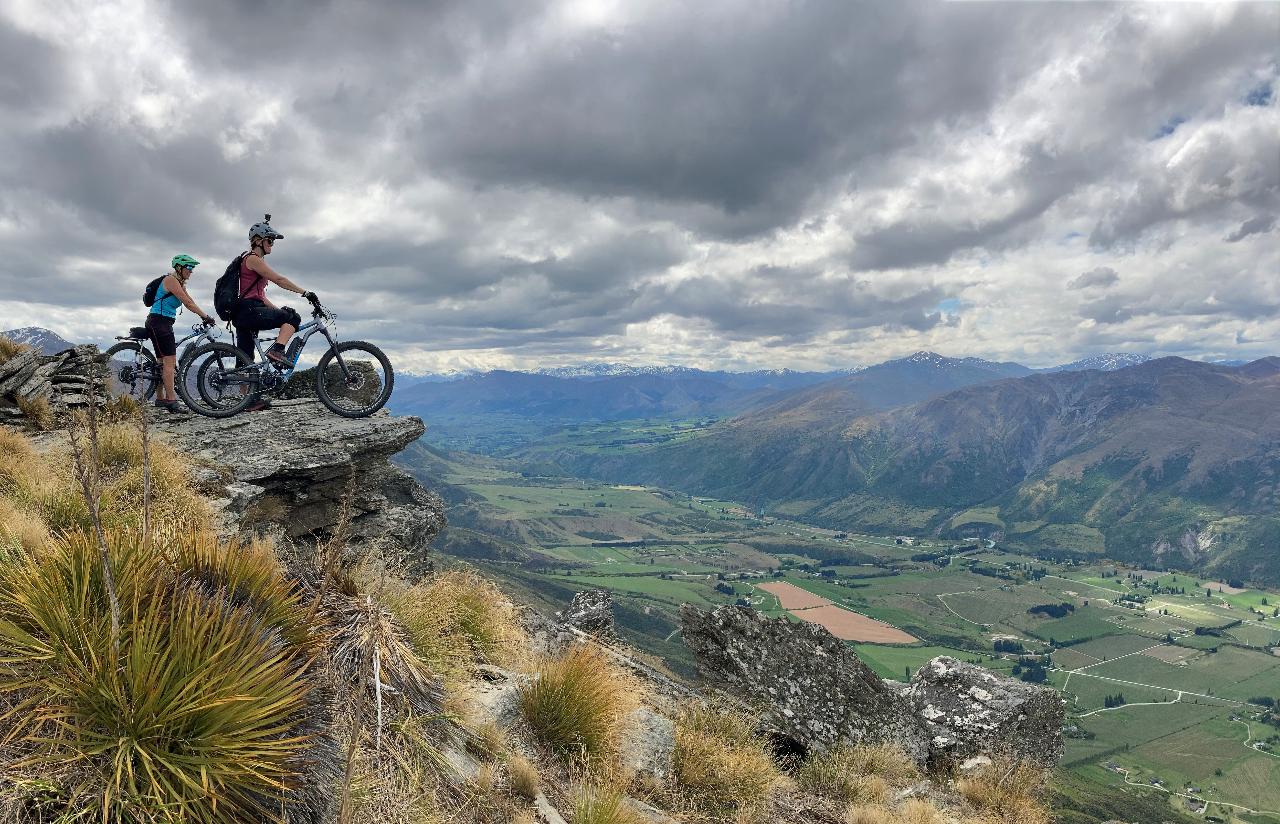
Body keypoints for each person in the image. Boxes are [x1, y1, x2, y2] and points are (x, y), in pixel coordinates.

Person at [232, 218, 318, 411]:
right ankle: (277, 350)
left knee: (245, 358)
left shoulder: (252, 261)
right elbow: (279, 279)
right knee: (293, 317)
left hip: (245, 312)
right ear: (258, 240)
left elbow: (260, 297)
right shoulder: (253, 259)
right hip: (249, 311)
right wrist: (305, 292)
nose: (272, 244)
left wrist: (277, 311)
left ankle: (247, 401)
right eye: (270, 240)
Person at [147, 254, 215, 413]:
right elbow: (188, 303)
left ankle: (160, 398)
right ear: (179, 267)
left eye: (193, 268)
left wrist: (203, 314)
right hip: (160, 322)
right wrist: (205, 317)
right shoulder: (170, 280)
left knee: (162, 363)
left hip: (161, 322)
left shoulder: (179, 284)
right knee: (169, 363)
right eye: (189, 268)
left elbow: (191, 300)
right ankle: (172, 401)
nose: (191, 271)